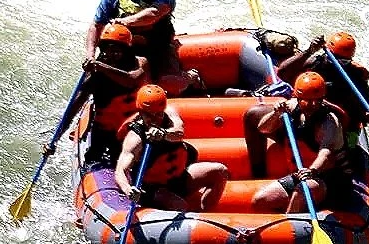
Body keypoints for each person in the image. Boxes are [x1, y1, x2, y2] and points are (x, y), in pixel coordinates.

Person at [113, 84, 228, 212]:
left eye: (158, 114)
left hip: (179, 178)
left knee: (220, 171)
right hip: (153, 188)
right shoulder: (135, 139)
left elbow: (179, 132)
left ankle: (206, 216)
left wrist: (164, 134)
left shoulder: (170, 114)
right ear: (141, 112)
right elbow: (120, 171)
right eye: (149, 116)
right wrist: (128, 189)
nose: (155, 119)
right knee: (180, 205)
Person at [247, 72, 348, 214]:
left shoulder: (329, 122)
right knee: (260, 200)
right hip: (301, 175)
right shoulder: (291, 106)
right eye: (307, 101)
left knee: (302, 190)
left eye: (317, 101)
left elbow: (325, 153)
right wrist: (276, 114)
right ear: (298, 98)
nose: (312, 105)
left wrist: (312, 170)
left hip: (328, 179)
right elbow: (263, 129)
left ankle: (290, 225)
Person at [76, 22, 147, 170]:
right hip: (104, 132)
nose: (111, 56)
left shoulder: (140, 63)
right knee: (96, 158)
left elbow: (131, 80)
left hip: (133, 129)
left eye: (116, 52)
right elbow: (74, 107)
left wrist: (100, 66)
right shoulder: (95, 76)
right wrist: (55, 141)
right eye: (108, 51)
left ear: (127, 51)